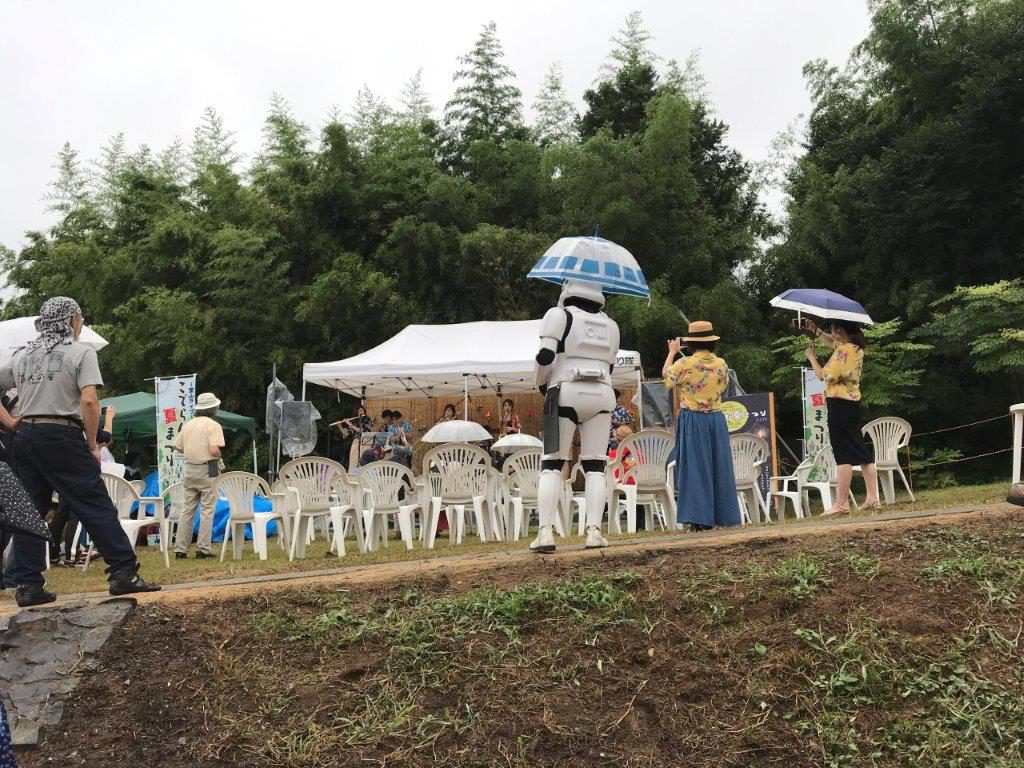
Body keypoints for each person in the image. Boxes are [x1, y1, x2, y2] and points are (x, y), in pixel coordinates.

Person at [0, 297, 160, 606]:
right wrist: (91, 444)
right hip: (62, 433)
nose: (82, 324)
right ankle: (123, 572)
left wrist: (12, 422)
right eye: (81, 319)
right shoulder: (80, 352)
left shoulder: (22, 356)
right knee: (94, 502)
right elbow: (88, 401)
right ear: (72, 320)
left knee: (30, 509)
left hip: (27, 437)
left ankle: (28, 585)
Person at [532, 279, 619, 553]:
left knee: (552, 463)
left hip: (564, 392)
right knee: (596, 466)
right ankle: (594, 531)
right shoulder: (612, 326)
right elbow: (611, 366)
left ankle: (545, 532)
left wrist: (542, 385)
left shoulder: (558, 315)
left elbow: (544, 357)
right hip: (603, 394)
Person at [663, 321, 741, 531]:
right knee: (719, 466)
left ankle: (698, 519)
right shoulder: (721, 364)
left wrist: (672, 353)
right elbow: (723, 387)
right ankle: (722, 516)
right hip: (716, 419)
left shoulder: (685, 364)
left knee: (694, 467)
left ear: (690, 343)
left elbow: (667, 378)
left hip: (693, 419)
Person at [802, 318, 881, 515]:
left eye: (833, 329)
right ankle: (873, 498)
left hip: (839, 405)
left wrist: (811, 357)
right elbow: (831, 342)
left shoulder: (843, 352)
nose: (832, 333)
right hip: (853, 404)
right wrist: (815, 329)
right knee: (862, 452)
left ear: (839, 330)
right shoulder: (854, 348)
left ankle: (841, 503)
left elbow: (822, 375)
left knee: (842, 453)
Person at [171, 392, 225, 559]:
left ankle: (181, 549)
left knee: (187, 509)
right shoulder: (213, 425)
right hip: (209, 467)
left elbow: (178, 446)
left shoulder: (188, 425)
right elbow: (214, 450)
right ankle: (203, 549)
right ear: (213, 408)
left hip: (190, 468)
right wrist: (219, 457)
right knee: (207, 510)